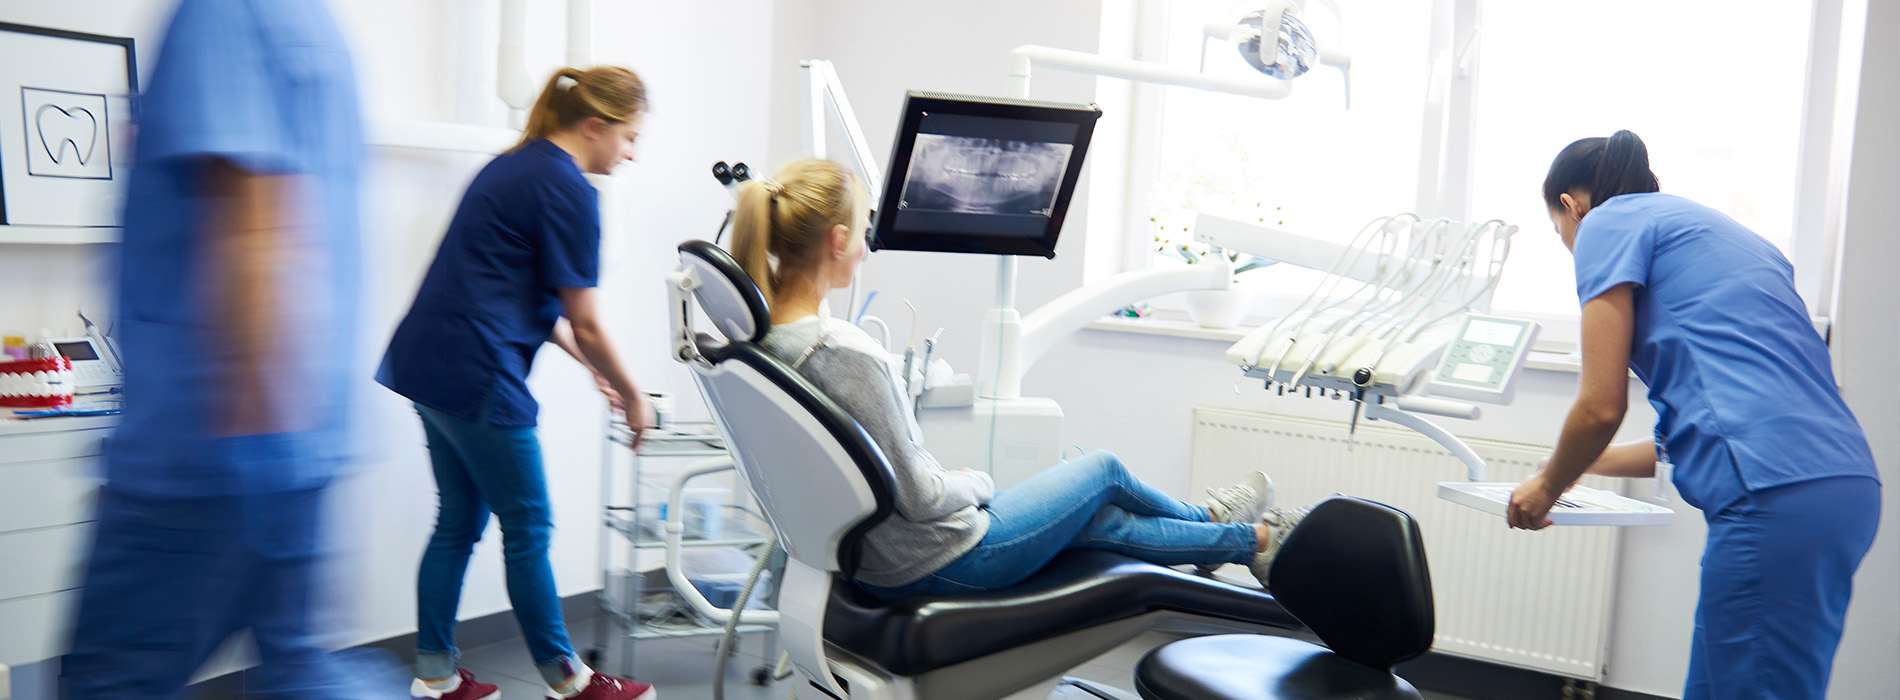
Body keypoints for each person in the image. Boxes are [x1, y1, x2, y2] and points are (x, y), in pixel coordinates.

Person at [730, 159, 1312, 598]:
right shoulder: (842, 352)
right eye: (860, 232)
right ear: (836, 241)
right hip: (942, 557)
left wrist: (946, 483)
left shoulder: (766, 345)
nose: (864, 248)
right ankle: (1219, 522)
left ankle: (1250, 541)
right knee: (1103, 470)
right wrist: (976, 481)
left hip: (884, 551)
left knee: (1101, 518)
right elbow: (924, 495)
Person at [63, 0, 386, 698]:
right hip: (297, 437)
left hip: (206, 451)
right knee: (298, 670)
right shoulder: (314, 24)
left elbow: (256, 220)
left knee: (109, 682)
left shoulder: (222, 11)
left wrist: (253, 453)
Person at [1506, 131, 1881, 699]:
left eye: (1560, 232)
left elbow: (1601, 405)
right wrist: (1582, 466)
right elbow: (1692, 434)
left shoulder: (1606, 224)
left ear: (1569, 206)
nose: (1568, 242)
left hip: (1770, 493)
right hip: (1839, 488)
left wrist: (1546, 489)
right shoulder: (1729, 238)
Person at [377, 66, 657, 700]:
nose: (632, 153)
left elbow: (520, 293)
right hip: (477, 372)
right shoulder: (569, 189)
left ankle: (436, 675)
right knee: (529, 524)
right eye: (630, 137)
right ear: (595, 126)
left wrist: (592, 369)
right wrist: (635, 394)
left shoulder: (515, 164)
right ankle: (568, 678)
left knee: (458, 521)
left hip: (429, 362)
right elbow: (583, 317)